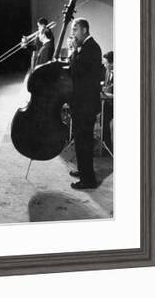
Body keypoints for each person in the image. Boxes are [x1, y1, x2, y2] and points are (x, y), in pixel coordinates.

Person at [68, 18, 102, 189]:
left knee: (84, 142)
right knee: (81, 140)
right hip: (83, 104)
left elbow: (76, 71)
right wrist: (75, 51)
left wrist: (74, 51)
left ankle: (88, 180)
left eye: (75, 29)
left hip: (86, 105)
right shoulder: (87, 48)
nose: (72, 33)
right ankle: (83, 170)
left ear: (84, 30)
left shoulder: (91, 48)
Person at [101, 51, 114, 153]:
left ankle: (108, 146)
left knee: (105, 119)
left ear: (112, 63)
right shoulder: (107, 71)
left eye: (106, 63)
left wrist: (106, 89)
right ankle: (105, 143)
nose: (104, 65)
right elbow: (107, 86)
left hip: (113, 103)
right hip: (107, 102)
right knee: (103, 118)